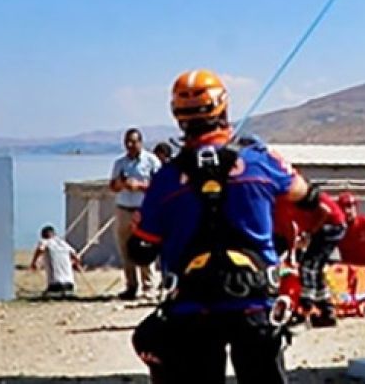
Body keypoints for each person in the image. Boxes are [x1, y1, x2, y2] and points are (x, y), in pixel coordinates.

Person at [128, 69, 315, 383]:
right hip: (255, 303)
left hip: (192, 308)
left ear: (178, 115)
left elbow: (141, 251)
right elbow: (311, 200)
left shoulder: (165, 180)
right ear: (223, 106)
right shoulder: (262, 161)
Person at [273, 187, 347, 327]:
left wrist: (310, 232)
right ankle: (326, 309)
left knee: (309, 266)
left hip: (331, 225)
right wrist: (291, 252)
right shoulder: (281, 204)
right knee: (315, 269)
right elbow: (290, 228)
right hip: (325, 226)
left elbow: (325, 211)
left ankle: (306, 306)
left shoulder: (291, 195)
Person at [110, 127, 160, 300]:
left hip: (143, 210)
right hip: (124, 209)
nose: (130, 145)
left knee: (145, 248)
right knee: (125, 249)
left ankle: (149, 287)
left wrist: (139, 186)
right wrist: (121, 184)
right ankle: (131, 286)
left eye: (133, 142)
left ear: (140, 142)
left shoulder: (151, 161)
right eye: (127, 142)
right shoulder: (120, 163)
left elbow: (160, 187)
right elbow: (112, 186)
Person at [30, 225, 82, 299]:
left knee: (48, 296)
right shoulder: (63, 243)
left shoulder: (45, 241)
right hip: (70, 284)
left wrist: (34, 262)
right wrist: (76, 264)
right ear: (54, 234)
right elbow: (76, 257)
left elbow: (40, 249)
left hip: (55, 284)